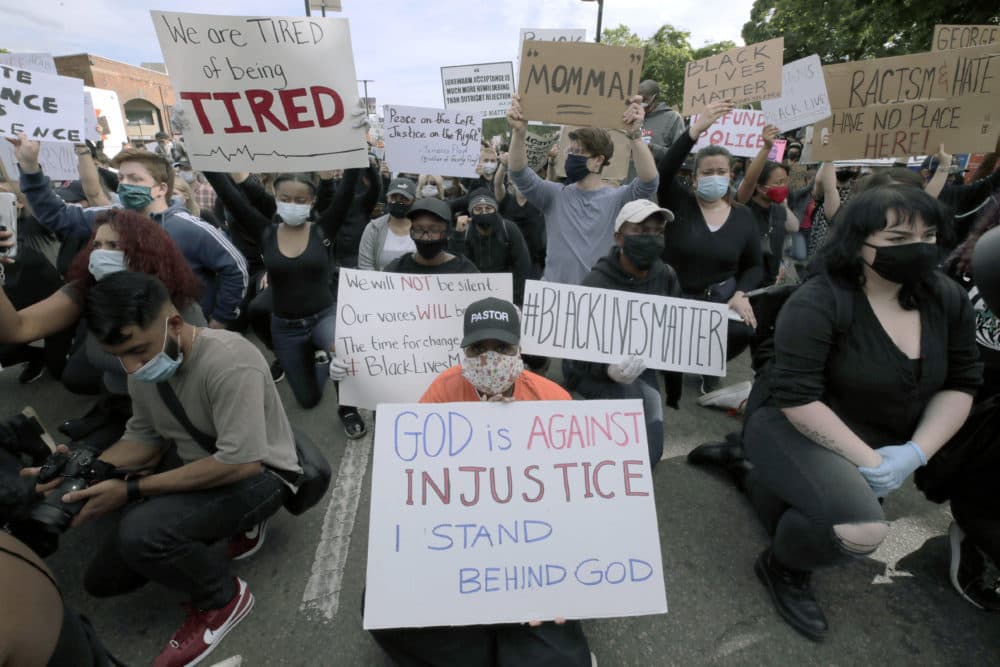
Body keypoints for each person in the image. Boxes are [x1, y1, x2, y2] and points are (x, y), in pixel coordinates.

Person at [731, 185, 982, 640]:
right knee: (859, 529)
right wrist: (870, 463)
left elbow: (962, 383)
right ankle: (782, 568)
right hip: (792, 423)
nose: (920, 248)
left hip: (880, 438)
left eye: (929, 236)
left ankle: (750, 473)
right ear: (858, 242)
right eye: (900, 238)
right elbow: (798, 398)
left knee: (829, 508)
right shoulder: (820, 300)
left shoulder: (947, 298)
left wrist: (913, 454)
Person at [42, 271, 302, 667]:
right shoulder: (145, 369)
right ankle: (215, 529)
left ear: (175, 324)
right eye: (119, 357)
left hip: (261, 473)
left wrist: (133, 490)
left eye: (139, 351)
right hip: (204, 464)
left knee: (140, 532)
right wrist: (85, 469)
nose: (131, 367)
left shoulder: (230, 362)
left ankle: (223, 598)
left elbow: (241, 462)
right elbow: (142, 440)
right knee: (104, 580)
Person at [368, 296, 593, 666]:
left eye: (502, 347)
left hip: (533, 552)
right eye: (477, 348)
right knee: (379, 607)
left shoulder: (553, 399)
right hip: (462, 546)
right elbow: (417, 480)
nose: (490, 359)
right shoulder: (443, 391)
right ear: (464, 350)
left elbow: (576, 504)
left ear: (520, 349)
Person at [0, 210, 206, 452]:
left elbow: (202, 374)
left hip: (173, 410)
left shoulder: (176, 303)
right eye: (96, 245)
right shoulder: (85, 290)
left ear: (145, 253)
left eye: (113, 245)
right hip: (119, 405)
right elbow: (17, 329)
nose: (101, 253)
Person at [11, 134, 248, 330]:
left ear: (160, 189)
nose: (124, 184)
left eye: (135, 179)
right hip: (124, 328)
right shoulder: (109, 218)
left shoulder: (189, 228)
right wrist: (30, 168)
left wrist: (221, 318)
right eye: (122, 178)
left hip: (181, 330)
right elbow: (57, 216)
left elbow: (235, 268)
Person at [204, 169, 368, 438]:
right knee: (308, 398)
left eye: (301, 200)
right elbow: (229, 195)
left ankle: (347, 409)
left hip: (324, 315)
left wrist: (358, 146)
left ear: (312, 202)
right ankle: (321, 362)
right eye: (286, 198)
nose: (293, 204)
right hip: (286, 327)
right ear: (276, 198)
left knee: (345, 351)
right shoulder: (265, 232)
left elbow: (347, 190)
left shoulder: (324, 229)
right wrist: (198, 147)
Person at [655, 100, 762, 396]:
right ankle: (668, 353)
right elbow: (663, 171)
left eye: (721, 171)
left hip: (716, 300)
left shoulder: (743, 216)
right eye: (707, 172)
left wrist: (741, 294)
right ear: (694, 178)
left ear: (731, 176)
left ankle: (710, 362)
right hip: (672, 295)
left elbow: (755, 264)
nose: (714, 176)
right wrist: (694, 132)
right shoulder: (678, 201)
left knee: (745, 325)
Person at [564, 199, 680, 467]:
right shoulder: (595, 284)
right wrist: (606, 369)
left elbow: (676, 332)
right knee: (618, 453)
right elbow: (573, 354)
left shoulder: (666, 276)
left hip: (642, 371)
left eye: (657, 232)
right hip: (596, 374)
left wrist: (673, 392)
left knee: (649, 453)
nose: (650, 238)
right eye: (640, 231)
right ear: (619, 237)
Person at [506, 93, 659, 285]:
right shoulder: (554, 195)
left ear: (598, 160)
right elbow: (518, 173)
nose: (570, 158)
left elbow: (649, 182)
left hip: (597, 300)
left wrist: (635, 135)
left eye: (577, 152)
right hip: (555, 298)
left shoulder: (618, 198)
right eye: (569, 152)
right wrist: (519, 133)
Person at [735, 124, 800, 287]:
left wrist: (783, 204)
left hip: (769, 286)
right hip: (742, 287)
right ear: (761, 186)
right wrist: (766, 147)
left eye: (785, 182)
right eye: (778, 183)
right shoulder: (744, 207)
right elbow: (749, 181)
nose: (784, 187)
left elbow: (794, 227)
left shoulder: (778, 209)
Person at [453, 189, 533, 304]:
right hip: (473, 292)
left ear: (495, 210)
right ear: (471, 213)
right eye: (478, 209)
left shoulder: (509, 229)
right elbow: (456, 266)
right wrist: (458, 235)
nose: (484, 212)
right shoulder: (465, 231)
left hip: (506, 292)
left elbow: (523, 265)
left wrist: (514, 295)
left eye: (488, 208)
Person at [382, 198, 479, 275]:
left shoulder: (466, 271)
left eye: (434, 230)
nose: (426, 237)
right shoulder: (395, 270)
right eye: (419, 229)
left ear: (447, 231)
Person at [494, 154, 546, 279]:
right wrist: (503, 165)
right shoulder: (506, 200)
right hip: (510, 260)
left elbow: (551, 179)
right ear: (511, 181)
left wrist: (553, 163)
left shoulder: (538, 201)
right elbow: (497, 183)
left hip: (533, 261)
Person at [626, 80, 684, 181]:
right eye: (639, 99)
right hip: (625, 183)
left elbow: (679, 155)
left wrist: (652, 148)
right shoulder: (629, 114)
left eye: (645, 100)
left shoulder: (673, 118)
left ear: (655, 97)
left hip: (653, 185)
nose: (641, 103)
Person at [358, 177, 417, 271]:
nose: (398, 202)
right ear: (387, 198)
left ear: (414, 201)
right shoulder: (373, 228)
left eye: (404, 198)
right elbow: (366, 267)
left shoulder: (423, 229)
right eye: (393, 197)